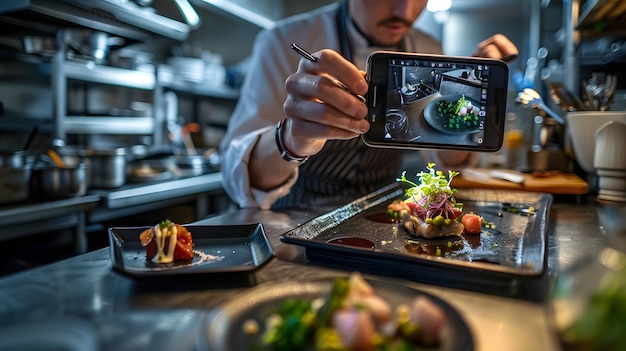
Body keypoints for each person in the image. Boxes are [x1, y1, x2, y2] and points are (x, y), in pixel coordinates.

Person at [220, 0, 518, 210]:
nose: (405, 11)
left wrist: (467, 105)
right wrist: (290, 139)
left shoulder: (428, 48)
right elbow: (236, 179)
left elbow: (444, 158)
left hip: (381, 217)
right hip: (293, 218)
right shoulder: (283, 41)